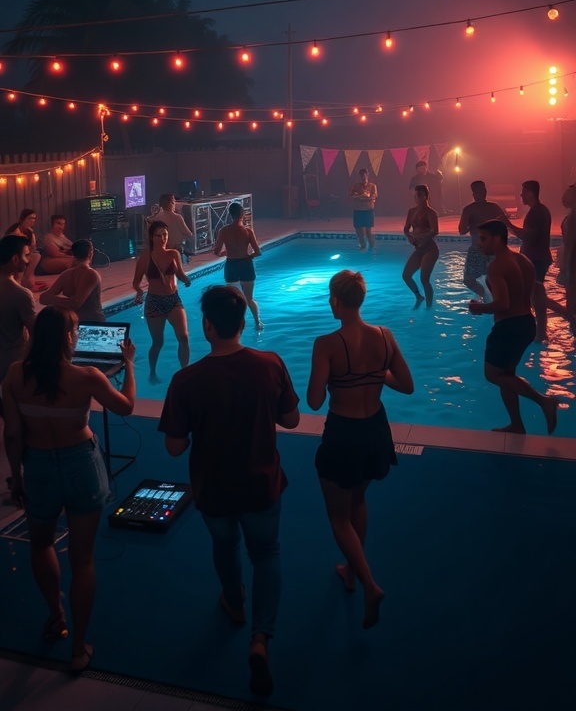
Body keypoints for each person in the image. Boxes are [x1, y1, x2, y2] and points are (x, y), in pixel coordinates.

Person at [159, 285, 299, 697]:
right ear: (241, 324)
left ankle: (234, 602)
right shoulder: (269, 364)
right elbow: (291, 420)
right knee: (266, 552)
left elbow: (173, 447)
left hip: (213, 486)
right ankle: (260, 638)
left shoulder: (186, 380)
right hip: (260, 483)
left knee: (225, 545)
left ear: (206, 326)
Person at [2, 306, 136, 673]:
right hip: (80, 464)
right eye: (75, 330)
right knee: (83, 559)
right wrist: (130, 366)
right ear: (66, 337)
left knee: (42, 543)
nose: (78, 334)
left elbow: (12, 434)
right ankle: (78, 649)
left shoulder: (14, 375)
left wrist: (17, 476)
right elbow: (126, 407)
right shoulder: (87, 376)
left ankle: (56, 616)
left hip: (39, 466)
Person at [307, 270, 413, 630]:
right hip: (376, 432)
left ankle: (369, 584)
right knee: (358, 501)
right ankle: (351, 572)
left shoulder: (327, 344)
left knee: (338, 516)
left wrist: (339, 378)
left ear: (336, 300)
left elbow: (315, 399)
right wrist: (373, 374)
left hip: (343, 434)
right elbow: (407, 385)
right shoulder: (385, 336)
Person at [469, 220, 559, 435]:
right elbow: (535, 291)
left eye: (483, 239)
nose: (479, 243)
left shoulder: (497, 266)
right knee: (507, 376)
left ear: (497, 239)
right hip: (526, 322)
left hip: (508, 327)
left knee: (492, 375)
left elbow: (503, 304)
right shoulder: (523, 260)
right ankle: (517, 425)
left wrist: (479, 308)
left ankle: (544, 402)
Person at [132, 220, 191, 382]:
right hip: (154, 302)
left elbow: (179, 273)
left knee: (184, 337)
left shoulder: (173, 254)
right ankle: (152, 372)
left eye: (165, 234)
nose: (162, 238)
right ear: (152, 237)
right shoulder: (145, 258)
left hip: (173, 300)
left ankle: (184, 373)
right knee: (158, 342)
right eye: (158, 235)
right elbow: (136, 282)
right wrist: (138, 292)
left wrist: (186, 279)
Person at [504, 180, 552, 342]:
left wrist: (508, 225)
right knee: (534, 295)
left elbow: (529, 237)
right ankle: (539, 331)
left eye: (523, 192)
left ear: (531, 192)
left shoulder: (537, 212)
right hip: (536, 258)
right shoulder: (537, 211)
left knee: (537, 296)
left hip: (536, 259)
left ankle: (544, 331)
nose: (521, 195)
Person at [214, 202, 264, 330]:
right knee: (249, 298)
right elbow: (258, 252)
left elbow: (216, 252)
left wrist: (225, 253)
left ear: (230, 214)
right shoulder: (247, 231)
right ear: (242, 214)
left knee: (233, 299)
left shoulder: (223, 231)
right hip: (245, 264)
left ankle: (235, 325)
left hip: (231, 265)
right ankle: (257, 322)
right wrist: (250, 256)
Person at [458, 181, 506, 299]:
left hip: (480, 249)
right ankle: (489, 297)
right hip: (490, 250)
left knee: (470, 280)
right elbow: (505, 226)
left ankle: (487, 297)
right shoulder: (494, 208)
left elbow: (462, 230)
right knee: (493, 279)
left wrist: (473, 224)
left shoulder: (469, 209)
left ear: (474, 194)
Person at [0, 235, 36, 388]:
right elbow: (36, 333)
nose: (28, 261)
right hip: (11, 364)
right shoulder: (20, 294)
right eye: (26, 255)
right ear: (15, 259)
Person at [39, 239, 105, 322]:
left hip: (73, 323)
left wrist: (59, 299)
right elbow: (76, 304)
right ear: (90, 253)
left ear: (73, 254)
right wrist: (71, 301)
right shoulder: (92, 274)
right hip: (93, 322)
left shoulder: (65, 274)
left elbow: (44, 298)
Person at [402, 184, 439, 307]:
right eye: (415, 196)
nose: (415, 199)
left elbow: (435, 231)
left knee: (424, 279)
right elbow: (406, 228)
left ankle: (429, 307)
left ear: (424, 197)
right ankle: (419, 296)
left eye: (418, 196)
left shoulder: (431, 213)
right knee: (406, 275)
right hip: (419, 248)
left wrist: (421, 237)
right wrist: (410, 238)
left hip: (430, 249)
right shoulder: (411, 211)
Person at [547, 184, 576, 331]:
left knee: (571, 303)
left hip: (572, 266)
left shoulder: (572, 220)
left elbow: (570, 246)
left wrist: (565, 270)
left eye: (567, 196)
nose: (562, 199)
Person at [5, 208, 46, 292]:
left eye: (34, 218)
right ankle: (21, 283)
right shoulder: (16, 231)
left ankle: (26, 280)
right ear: (22, 219)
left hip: (23, 255)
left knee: (36, 255)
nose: (32, 220)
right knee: (27, 259)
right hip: (11, 257)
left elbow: (32, 248)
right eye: (30, 218)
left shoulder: (29, 232)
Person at [348, 168, 377, 251]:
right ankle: (363, 245)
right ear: (359, 176)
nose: (363, 177)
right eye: (361, 176)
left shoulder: (372, 186)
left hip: (368, 210)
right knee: (359, 230)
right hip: (358, 210)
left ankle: (372, 247)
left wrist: (359, 197)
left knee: (368, 231)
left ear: (367, 175)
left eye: (364, 175)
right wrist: (363, 197)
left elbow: (372, 197)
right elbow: (351, 196)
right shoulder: (355, 186)